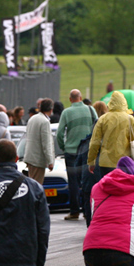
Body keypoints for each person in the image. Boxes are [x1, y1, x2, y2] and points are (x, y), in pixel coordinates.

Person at [57, 89, 97, 220]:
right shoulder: (91, 110)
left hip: (71, 151)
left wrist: (64, 147)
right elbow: (97, 127)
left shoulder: (66, 112)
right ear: (81, 98)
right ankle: (87, 211)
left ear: (70, 99)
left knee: (73, 182)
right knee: (86, 181)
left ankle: (74, 211)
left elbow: (59, 133)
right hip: (86, 151)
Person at [87, 91, 134, 179]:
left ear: (110, 103)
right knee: (124, 189)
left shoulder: (102, 119)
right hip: (125, 162)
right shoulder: (130, 119)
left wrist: (91, 161)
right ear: (124, 103)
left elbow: (95, 142)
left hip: (106, 162)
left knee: (108, 188)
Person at [24, 98, 55, 185]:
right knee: (36, 186)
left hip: (30, 157)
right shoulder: (44, 121)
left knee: (32, 184)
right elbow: (46, 143)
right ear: (51, 109)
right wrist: (50, 161)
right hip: (37, 159)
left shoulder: (33, 118)